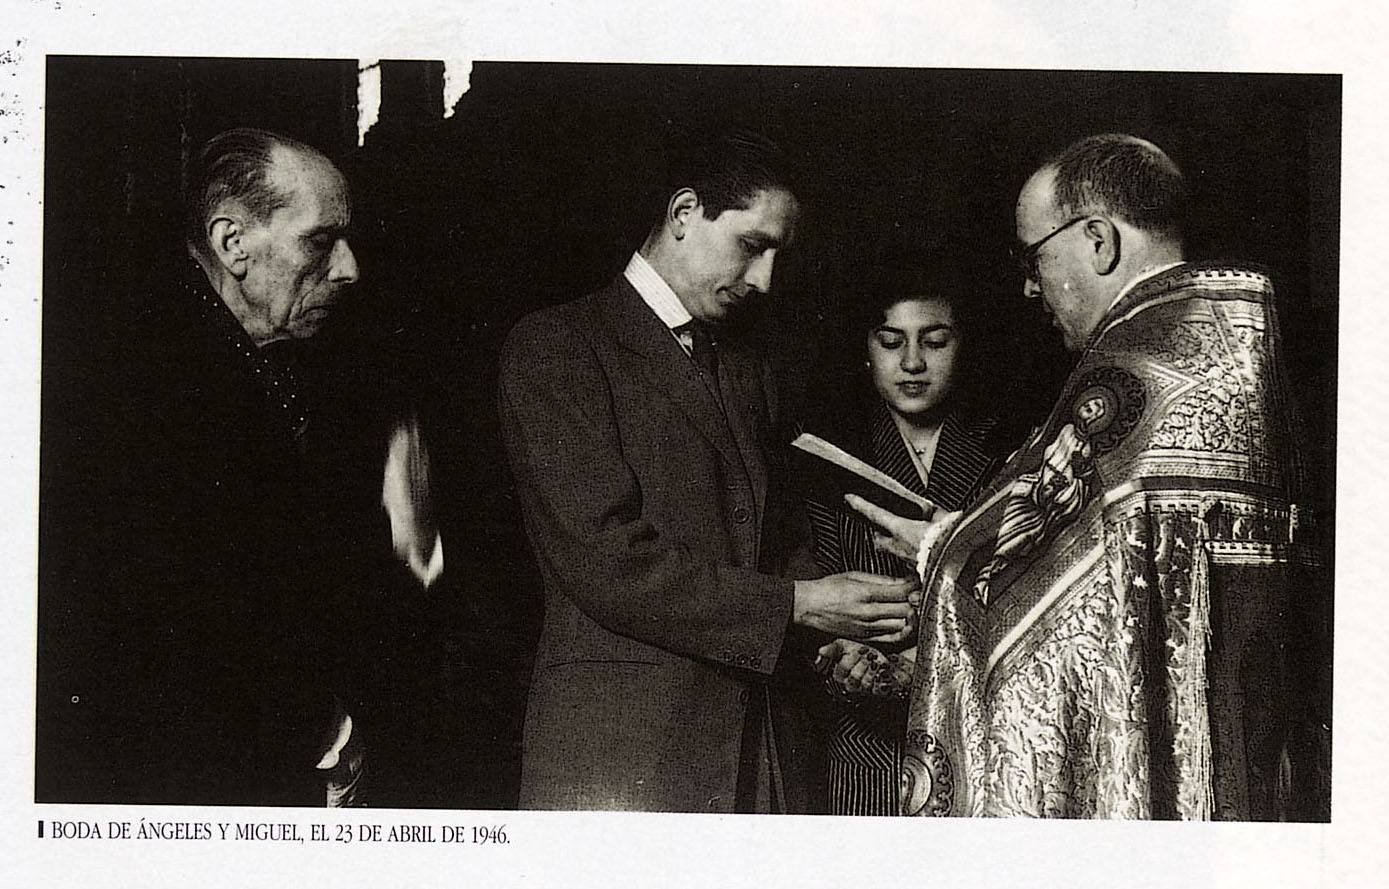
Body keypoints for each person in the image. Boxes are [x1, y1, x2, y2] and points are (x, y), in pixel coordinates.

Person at [850, 133, 1328, 819]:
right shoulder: (1237, 345)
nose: (1029, 286)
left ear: (1098, 241)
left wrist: (939, 547)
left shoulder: (1134, 368)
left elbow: (1009, 584)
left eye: (1033, 258)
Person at [498, 128, 917, 813]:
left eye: (778, 255)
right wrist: (801, 604)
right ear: (684, 213)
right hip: (622, 752)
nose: (765, 280)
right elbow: (606, 561)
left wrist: (839, 627)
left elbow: (773, 535)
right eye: (751, 246)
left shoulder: (746, 366)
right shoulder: (557, 346)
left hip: (760, 748)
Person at [37, 128, 440, 806]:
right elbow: (175, 627)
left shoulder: (298, 367)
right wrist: (327, 736)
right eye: (320, 241)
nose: (348, 268)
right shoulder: (132, 385)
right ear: (232, 243)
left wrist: (409, 537)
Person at [801, 263, 1013, 815]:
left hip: (981, 750)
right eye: (891, 342)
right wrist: (844, 662)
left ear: (964, 345)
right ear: (866, 349)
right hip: (864, 757)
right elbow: (808, 602)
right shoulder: (828, 460)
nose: (913, 362)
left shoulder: (1011, 455)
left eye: (935, 341)